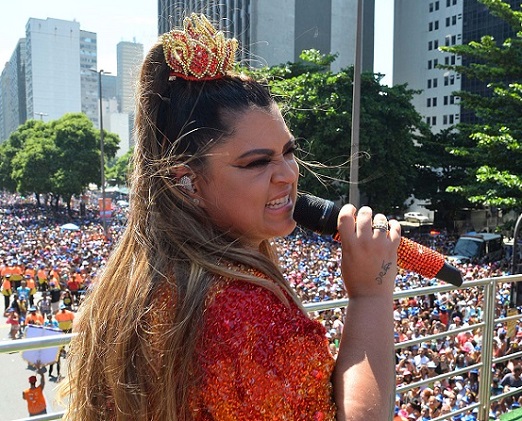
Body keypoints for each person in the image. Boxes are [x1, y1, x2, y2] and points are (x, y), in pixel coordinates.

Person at [61, 13, 401, 420]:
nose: (288, 175)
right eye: (257, 163)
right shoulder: (242, 313)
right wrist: (371, 294)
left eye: (288, 152)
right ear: (189, 181)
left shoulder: (136, 285)